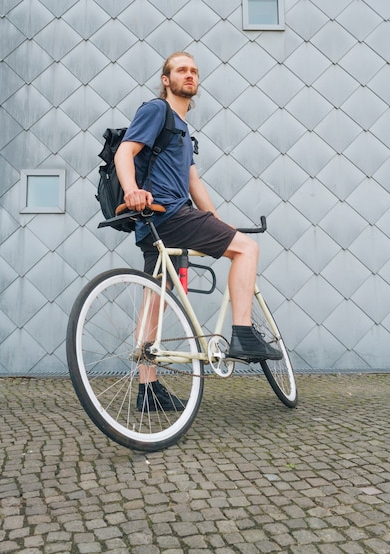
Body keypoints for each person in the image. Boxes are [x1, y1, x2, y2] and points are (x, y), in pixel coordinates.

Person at [115, 51, 282, 411]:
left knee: (155, 301)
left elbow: (193, 180)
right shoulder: (156, 110)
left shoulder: (182, 127)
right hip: (170, 214)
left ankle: (148, 390)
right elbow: (124, 153)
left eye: (193, 71)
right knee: (247, 250)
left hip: (155, 226)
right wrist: (131, 190)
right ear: (166, 79)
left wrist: (216, 221)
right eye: (180, 70)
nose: (189, 75)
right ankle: (243, 333)